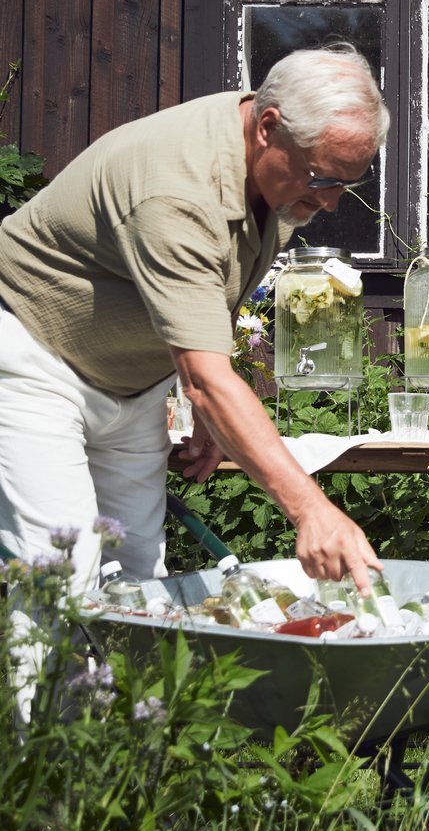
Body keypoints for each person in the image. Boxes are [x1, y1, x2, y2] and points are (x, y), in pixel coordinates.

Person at [0, 44, 388, 604]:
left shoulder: (277, 171)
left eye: (343, 184)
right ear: (269, 127)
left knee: (138, 579)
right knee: (64, 580)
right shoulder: (174, 189)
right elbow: (209, 378)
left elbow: (211, 288)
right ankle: (44, 694)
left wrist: (202, 397)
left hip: (131, 382)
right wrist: (311, 510)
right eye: (322, 178)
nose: (328, 203)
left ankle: (127, 696)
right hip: (33, 358)